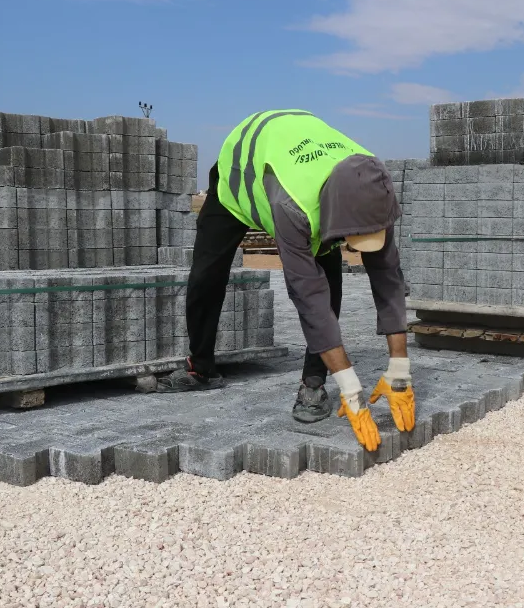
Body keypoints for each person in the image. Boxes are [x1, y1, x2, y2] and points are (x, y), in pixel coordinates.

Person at [156, 110, 415, 452]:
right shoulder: (293, 206)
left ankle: (313, 383)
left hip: (304, 173)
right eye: (350, 238)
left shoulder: (373, 188)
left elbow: (388, 277)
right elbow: (309, 298)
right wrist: (351, 387)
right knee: (206, 275)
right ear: (334, 217)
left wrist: (399, 368)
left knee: (330, 281)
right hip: (240, 177)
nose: (354, 248)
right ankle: (201, 368)